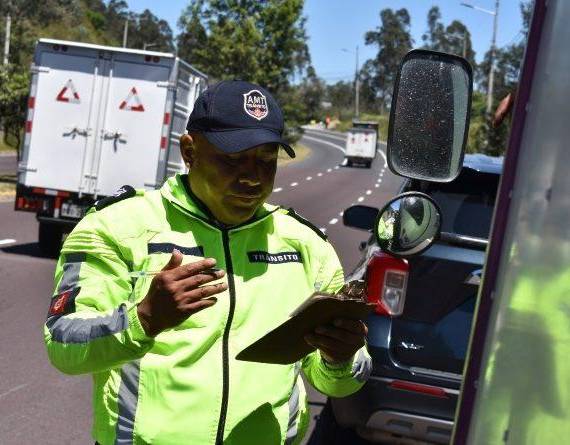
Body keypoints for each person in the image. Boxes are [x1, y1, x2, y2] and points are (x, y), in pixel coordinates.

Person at [44, 80, 371, 445]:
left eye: (266, 161)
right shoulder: (116, 227)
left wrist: (340, 357)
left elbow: (338, 382)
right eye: (232, 159)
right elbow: (63, 344)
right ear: (190, 151)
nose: (251, 177)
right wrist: (144, 319)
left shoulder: (306, 245)